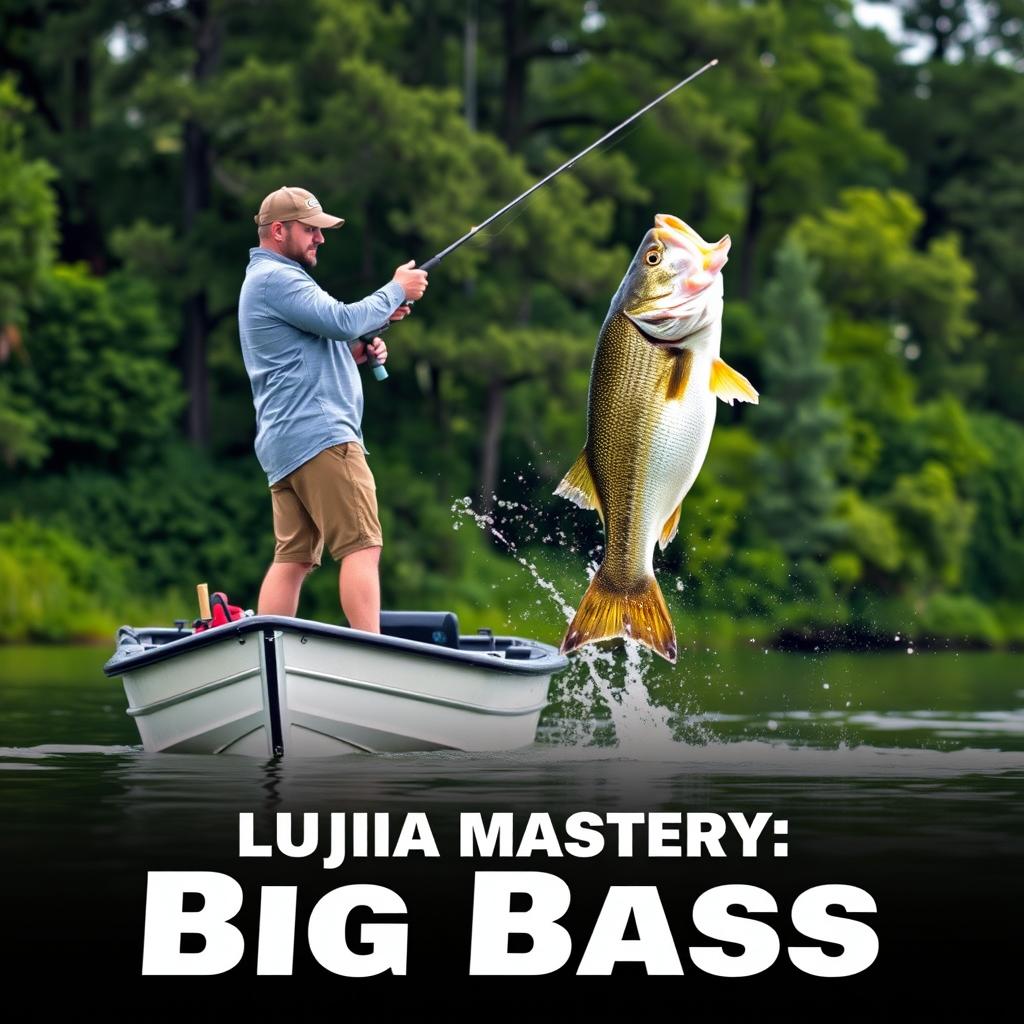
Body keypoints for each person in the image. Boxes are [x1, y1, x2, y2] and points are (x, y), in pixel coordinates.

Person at [238, 185, 428, 631]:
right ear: (279, 230)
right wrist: (396, 289)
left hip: (285, 444)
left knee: (295, 558)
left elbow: (325, 341)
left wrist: (356, 352)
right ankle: (373, 654)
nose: (320, 238)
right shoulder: (277, 278)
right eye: (310, 230)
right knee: (363, 546)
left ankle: (268, 648)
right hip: (323, 438)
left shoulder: (266, 281)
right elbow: (343, 321)